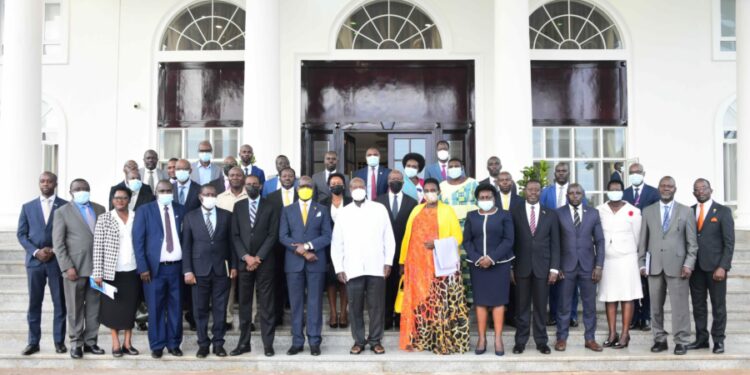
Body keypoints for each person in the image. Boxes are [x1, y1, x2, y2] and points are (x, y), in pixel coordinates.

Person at [398, 178, 469, 354]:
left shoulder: (447, 211)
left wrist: (437, 244)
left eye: (433, 189)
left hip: (440, 265)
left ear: (439, 192)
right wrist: (402, 261)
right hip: (417, 266)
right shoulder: (416, 210)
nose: (430, 192)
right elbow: (407, 236)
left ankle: (440, 341)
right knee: (420, 303)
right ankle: (422, 339)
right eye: (427, 189)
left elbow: (458, 238)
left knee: (438, 304)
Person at [331, 177, 395, 355]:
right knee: (355, 307)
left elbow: (388, 238)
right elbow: (337, 243)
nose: (358, 189)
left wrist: (388, 262)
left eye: (361, 186)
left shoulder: (379, 209)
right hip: (352, 268)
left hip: (376, 266)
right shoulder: (343, 213)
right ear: (349, 190)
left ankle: (375, 340)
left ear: (365, 189)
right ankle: (358, 341)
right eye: (354, 186)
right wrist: (339, 267)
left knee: (376, 307)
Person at [637, 176, 698, 355]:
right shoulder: (648, 211)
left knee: (680, 307)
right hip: (654, 266)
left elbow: (692, 243)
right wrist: (642, 263)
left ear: (675, 189)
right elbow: (643, 240)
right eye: (663, 186)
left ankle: (681, 340)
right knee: (655, 306)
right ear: (658, 189)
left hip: (679, 267)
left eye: (669, 186)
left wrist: (689, 264)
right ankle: (659, 339)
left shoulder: (686, 211)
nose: (666, 189)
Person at [52, 178, 106, 359]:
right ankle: (76, 343)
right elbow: (58, 243)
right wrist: (67, 267)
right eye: (78, 189)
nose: (82, 191)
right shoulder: (62, 212)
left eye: (86, 188)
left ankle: (91, 342)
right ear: (71, 192)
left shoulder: (100, 209)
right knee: (75, 308)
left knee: (94, 307)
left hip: (97, 269)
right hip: (74, 269)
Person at [182, 184, 237, 358]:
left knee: (220, 309)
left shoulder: (227, 216)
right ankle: (203, 343)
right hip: (198, 271)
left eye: (213, 194)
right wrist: (187, 271)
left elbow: (232, 244)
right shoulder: (190, 217)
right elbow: (186, 246)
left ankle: (219, 343)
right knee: (200, 309)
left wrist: (234, 266)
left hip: (222, 270)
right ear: (200, 196)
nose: (210, 196)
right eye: (207, 194)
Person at [279, 176, 332, 356]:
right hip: (294, 264)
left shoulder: (322, 210)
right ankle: (297, 341)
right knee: (296, 304)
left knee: (315, 303)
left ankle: (315, 341)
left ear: (313, 189)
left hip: (315, 262)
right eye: (302, 186)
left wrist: (308, 246)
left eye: (308, 186)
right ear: (296, 188)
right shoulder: (287, 210)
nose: (305, 188)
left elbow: (327, 235)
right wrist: (302, 251)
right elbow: (283, 236)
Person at [133, 180, 186, 358]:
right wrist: (143, 268)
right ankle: (157, 345)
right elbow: (138, 241)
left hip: (176, 268)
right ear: (156, 192)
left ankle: (174, 344)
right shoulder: (144, 210)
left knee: (176, 308)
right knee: (155, 309)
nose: (165, 193)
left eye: (168, 190)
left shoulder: (180, 210)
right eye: (162, 190)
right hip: (153, 270)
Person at [17, 172, 68, 356]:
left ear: (55, 183)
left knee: (60, 303)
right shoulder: (27, 207)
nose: (45, 184)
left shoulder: (65, 206)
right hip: (34, 263)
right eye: (42, 181)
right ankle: (33, 342)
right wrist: (36, 252)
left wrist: (53, 250)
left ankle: (59, 342)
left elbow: (68, 234)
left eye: (49, 181)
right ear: (39, 183)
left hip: (56, 262)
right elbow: (21, 234)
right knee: (34, 303)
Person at [231, 174, 281, 357]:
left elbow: (272, 234)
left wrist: (258, 257)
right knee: (244, 305)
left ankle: (268, 344)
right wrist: (246, 257)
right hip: (245, 263)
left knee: (267, 305)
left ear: (260, 186)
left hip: (265, 263)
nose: (251, 186)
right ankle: (244, 343)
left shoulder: (271, 206)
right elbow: (235, 235)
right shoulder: (239, 206)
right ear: (244, 186)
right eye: (248, 184)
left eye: (254, 184)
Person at [463, 184, 514, 356]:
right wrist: (479, 258)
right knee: (481, 301)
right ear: (477, 199)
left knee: (498, 301)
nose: (485, 200)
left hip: (500, 264)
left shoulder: (504, 215)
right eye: (482, 198)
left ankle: (498, 339)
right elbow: (467, 241)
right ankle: (482, 338)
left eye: (488, 197)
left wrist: (491, 258)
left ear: (494, 198)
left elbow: (508, 240)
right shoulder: (471, 216)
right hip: (477, 265)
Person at [510, 180, 560, 355]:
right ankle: (520, 342)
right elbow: (511, 242)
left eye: (536, 190)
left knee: (540, 307)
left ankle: (541, 342)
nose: (533, 192)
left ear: (541, 192)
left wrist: (554, 268)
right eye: (530, 189)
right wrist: (511, 267)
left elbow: (555, 243)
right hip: (521, 267)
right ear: (525, 191)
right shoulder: (514, 212)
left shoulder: (551, 214)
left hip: (543, 268)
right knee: (521, 307)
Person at [554, 184, 605, 353]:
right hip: (565, 266)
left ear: (583, 194)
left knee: (590, 305)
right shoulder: (558, 213)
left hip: (588, 266)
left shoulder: (593, 213)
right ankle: (561, 338)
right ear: (567, 195)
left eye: (578, 193)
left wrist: (599, 265)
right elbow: (553, 242)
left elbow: (600, 241)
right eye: (572, 193)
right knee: (564, 305)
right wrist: (556, 266)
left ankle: (590, 339)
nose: (575, 195)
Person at [92, 187, 140, 357]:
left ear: (129, 200)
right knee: (112, 309)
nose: (120, 200)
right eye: (117, 198)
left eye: (124, 197)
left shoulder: (137, 216)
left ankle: (128, 342)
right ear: (112, 200)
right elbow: (98, 247)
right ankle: (115, 343)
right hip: (111, 272)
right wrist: (97, 272)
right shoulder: (104, 218)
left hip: (133, 270)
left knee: (130, 307)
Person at [687, 178, 734, 354]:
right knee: (698, 305)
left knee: (718, 305)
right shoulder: (689, 211)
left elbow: (729, 243)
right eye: (697, 189)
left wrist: (723, 266)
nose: (701, 191)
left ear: (711, 190)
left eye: (704, 188)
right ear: (693, 193)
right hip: (695, 268)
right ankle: (701, 339)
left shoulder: (722, 211)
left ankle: (719, 340)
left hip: (716, 269)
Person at [597, 179, 643, 350]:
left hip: (627, 258)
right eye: (612, 189)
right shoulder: (600, 210)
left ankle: (624, 334)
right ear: (607, 191)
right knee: (610, 297)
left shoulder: (633, 211)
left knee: (627, 296)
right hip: (607, 260)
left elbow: (637, 237)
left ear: (623, 191)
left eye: (618, 189)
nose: (615, 191)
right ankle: (612, 333)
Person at [539, 162, 584, 327]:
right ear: (554, 173)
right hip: (550, 239)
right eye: (558, 170)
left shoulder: (576, 191)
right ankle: (553, 314)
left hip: (571, 241)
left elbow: (582, 212)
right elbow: (541, 212)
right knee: (553, 278)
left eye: (564, 170)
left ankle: (571, 315)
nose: (561, 173)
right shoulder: (546, 192)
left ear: (569, 173)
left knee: (571, 279)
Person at [376, 170, 418, 330]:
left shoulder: (412, 202)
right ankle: (386, 319)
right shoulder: (378, 202)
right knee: (385, 289)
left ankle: (400, 318)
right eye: (392, 179)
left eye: (398, 179)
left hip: (404, 253)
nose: (395, 181)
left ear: (403, 182)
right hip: (383, 253)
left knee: (403, 287)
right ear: (387, 181)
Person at [623, 162, 660, 331]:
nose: (634, 174)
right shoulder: (624, 194)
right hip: (629, 245)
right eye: (631, 172)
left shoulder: (654, 193)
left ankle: (645, 317)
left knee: (646, 283)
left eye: (637, 172)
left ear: (643, 173)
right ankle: (634, 317)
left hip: (649, 243)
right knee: (632, 282)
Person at [439, 158, 477, 303]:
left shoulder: (473, 184)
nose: (453, 168)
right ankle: (453, 303)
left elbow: (479, 205)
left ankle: (469, 303)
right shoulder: (442, 186)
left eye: (457, 166)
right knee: (451, 268)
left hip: (468, 232)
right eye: (451, 166)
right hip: (448, 235)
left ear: (462, 167)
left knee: (468, 266)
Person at [216, 166, 248, 330]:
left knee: (248, 285)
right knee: (227, 284)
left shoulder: (250, 196)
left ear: (243, 177)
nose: (235, 177)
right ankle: (226, 319)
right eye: (232, 175)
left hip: (247, 246)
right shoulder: (220, 198)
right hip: (226, 246)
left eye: (238, 175)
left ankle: (248, 319)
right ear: (227, 178)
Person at [266, 167, 298, 326]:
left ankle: (297, 317)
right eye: (284, 176)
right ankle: (277, 316)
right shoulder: (271, 197)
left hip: (297, 246)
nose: (287, 178)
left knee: (296, 282)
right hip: (277, 247)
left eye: (290, 176)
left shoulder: (302, 195)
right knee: (277, 281)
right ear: (279, 178)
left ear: (294, 178)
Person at [319, 173, 351, 329]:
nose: (336, 185)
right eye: (333, 183)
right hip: (328, 246)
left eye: (339, 182)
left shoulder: (351, 202)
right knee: (331, 279)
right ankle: (333, 312)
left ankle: (344, 313)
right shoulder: (322, 203)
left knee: (345, 278)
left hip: (349, 246)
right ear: (328, 186)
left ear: (344, 185)